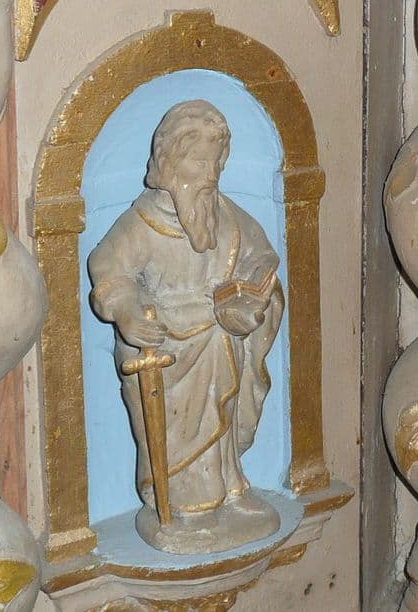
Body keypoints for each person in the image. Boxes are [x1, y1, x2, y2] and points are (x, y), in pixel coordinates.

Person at [88, 100, 283, 553]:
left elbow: (261, 259)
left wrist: (252, 298)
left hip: (220, 345)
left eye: (216, 162)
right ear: (171, 162)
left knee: (222, 425)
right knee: (179, 436)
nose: (210, 174)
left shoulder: (226, 217)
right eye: (199, 162)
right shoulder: (142, 222)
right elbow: (109, 273)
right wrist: (128, 312)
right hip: (168, 354)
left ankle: (230, 492)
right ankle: (184, 507)